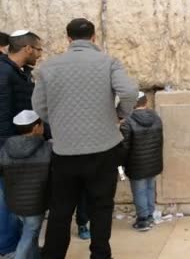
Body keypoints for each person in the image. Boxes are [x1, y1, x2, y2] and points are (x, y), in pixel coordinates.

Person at [33, 18, 138, 259]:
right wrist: (120, 114)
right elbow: (130, 91)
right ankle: (100, 255)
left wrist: (59, 122)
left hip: (65, 151)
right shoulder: (108, 62)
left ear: (68, 39)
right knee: (101, 207)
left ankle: (53, 255)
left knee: (60, 210)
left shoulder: (49, 66)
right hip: (103, 149)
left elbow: (38, 106)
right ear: (93, 37)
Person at [0, 30, 43, 257]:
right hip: (8, 149)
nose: (39, 54)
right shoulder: (4, 72)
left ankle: (21, 247)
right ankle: (7, 249)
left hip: (16, 146)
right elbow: (2, 114)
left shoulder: (18, 72)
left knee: (15, 200)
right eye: (38, 49)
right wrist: (10, 148)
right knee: (5, 201)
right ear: (27, 48)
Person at [0, 110, 51, 259]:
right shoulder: (46, 149)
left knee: (29, 236)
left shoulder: (5, 150)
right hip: (35, 205)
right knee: (28, 237)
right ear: (36, 128)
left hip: (14, 205)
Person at [121, 91, 164, 232]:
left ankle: (142, 220)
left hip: (137, 164)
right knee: (150, 188)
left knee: (139, 191)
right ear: (146, 102)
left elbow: (125, 147)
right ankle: (150, 214)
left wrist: (122, 162)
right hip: (153, 162)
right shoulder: (156, 118)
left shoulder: (128, 122)